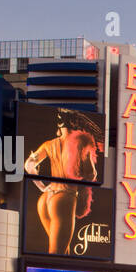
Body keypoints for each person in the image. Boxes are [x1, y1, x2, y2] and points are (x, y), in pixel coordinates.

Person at [26, 109, 104, 256]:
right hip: (64, 198)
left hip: (45, 199)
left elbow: (29, 164)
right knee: (57, 254)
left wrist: (42, 187)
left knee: (61, 253)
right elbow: (91, 174)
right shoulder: (82, 141)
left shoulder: (49, 144)